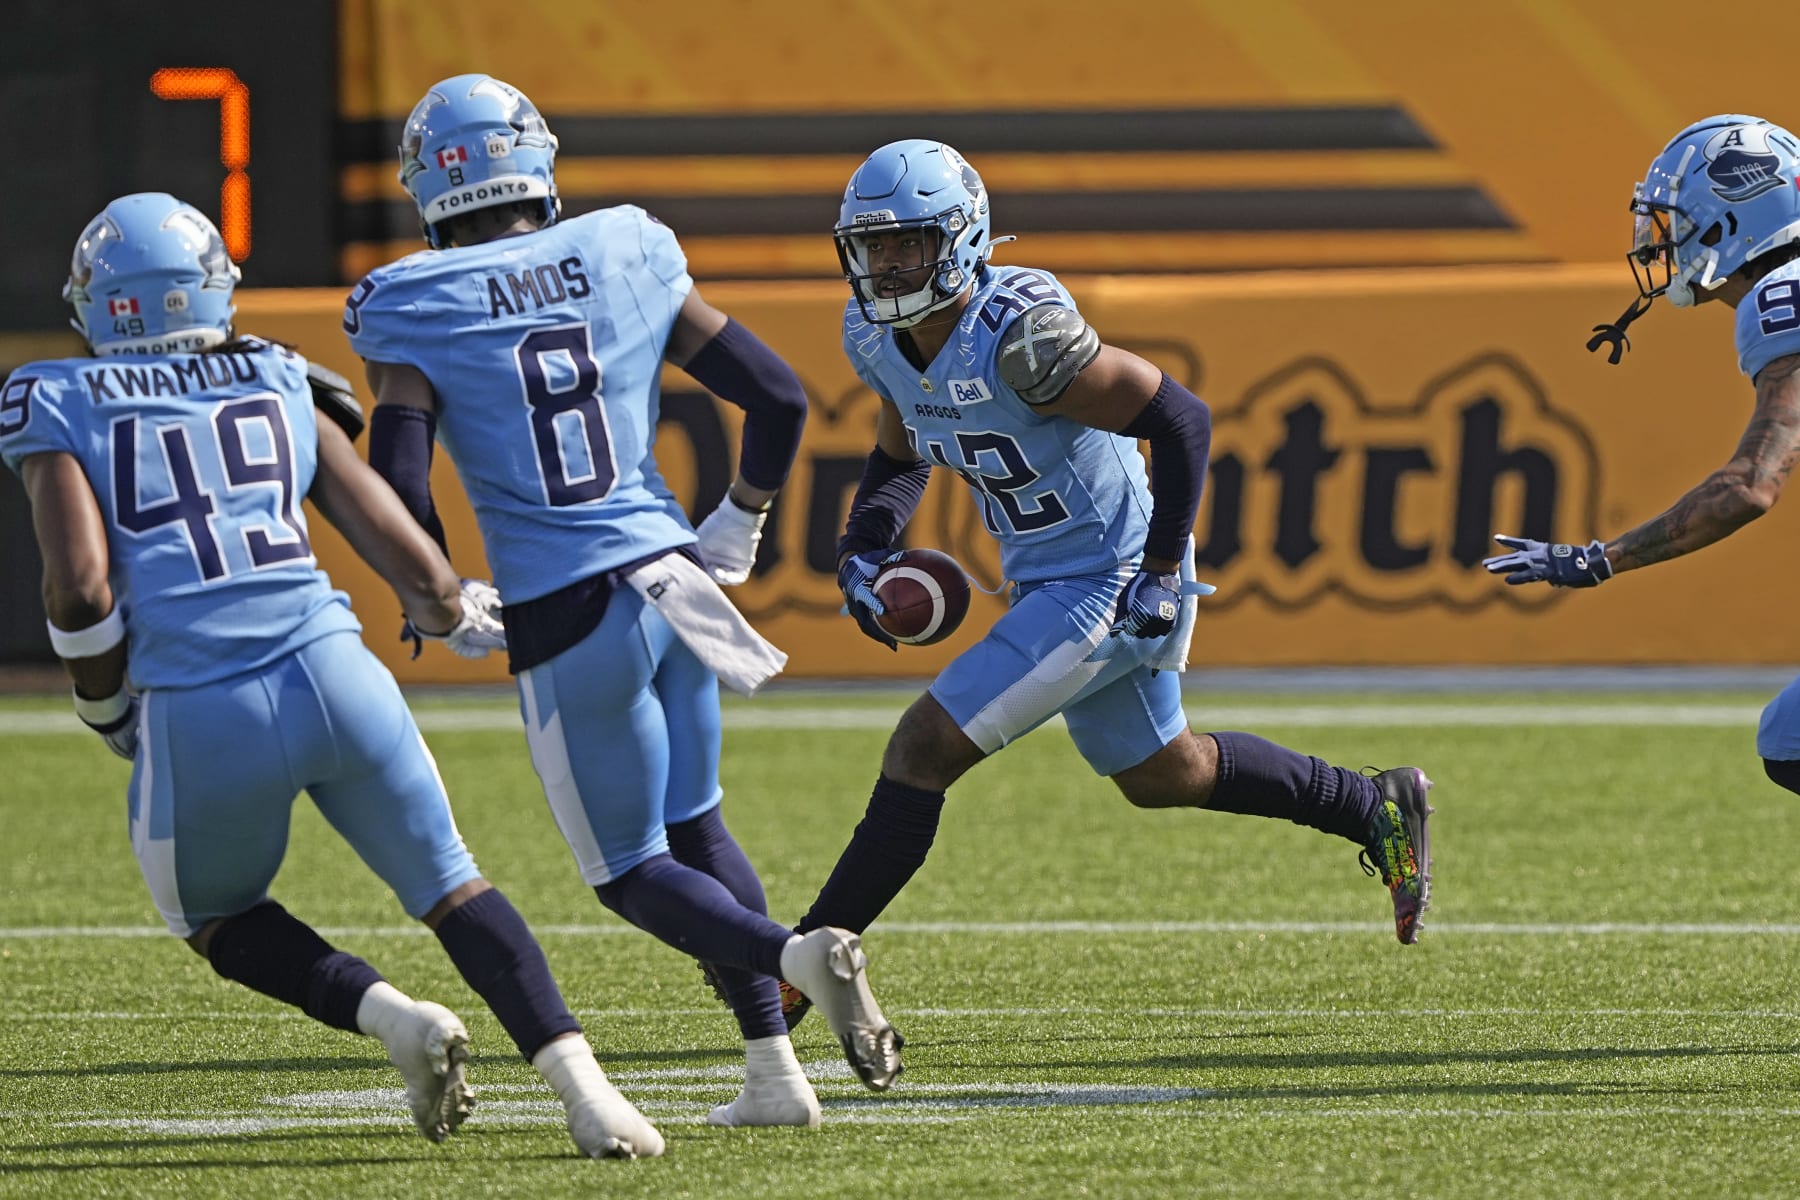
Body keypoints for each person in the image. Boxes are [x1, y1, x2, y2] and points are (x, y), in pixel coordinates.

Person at [0, 192, 665, 1158]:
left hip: (199, 703)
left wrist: (103, 704)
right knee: (453, 887)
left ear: (98, 302)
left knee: (213, 914)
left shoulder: (52, 396)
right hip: (334, 670)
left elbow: (80, 587)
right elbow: (409, 555)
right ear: (212, 289)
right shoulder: (276, 373)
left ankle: (394, 1018)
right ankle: (591, 1094)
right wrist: (451, 612)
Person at [778, 138, 1437, 1026]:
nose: (890, 265)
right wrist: (864, 545)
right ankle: (1374, 806)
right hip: (1049, 574)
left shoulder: (1021, 338)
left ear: (963, 239)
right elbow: (903, 447)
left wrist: (1162, 570)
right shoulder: (878, 334)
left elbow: (1181, 418)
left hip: (1113, 573)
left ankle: (804, 962)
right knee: (1165, 771)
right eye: (874, 246)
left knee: (922, 748)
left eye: (911, 244)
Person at [344, 74, 901, 1122]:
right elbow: (778, 395)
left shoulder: (411, 298)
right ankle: (775, 1076)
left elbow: (404, 478)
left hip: (567, 605)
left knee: (630, 872)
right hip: (675, 581)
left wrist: (438, 600)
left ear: (428, 181)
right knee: (697, 825)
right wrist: (737, 521)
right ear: (534, 161)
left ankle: (797, 956)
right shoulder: (626, 247)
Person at [1485, 114, 1800, 792]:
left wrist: (1602, 558)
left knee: (1793, 742)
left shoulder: (1784, 294)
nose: (1665, 239)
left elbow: (1750, 485)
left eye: (1680, 218)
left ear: (1733, 215)